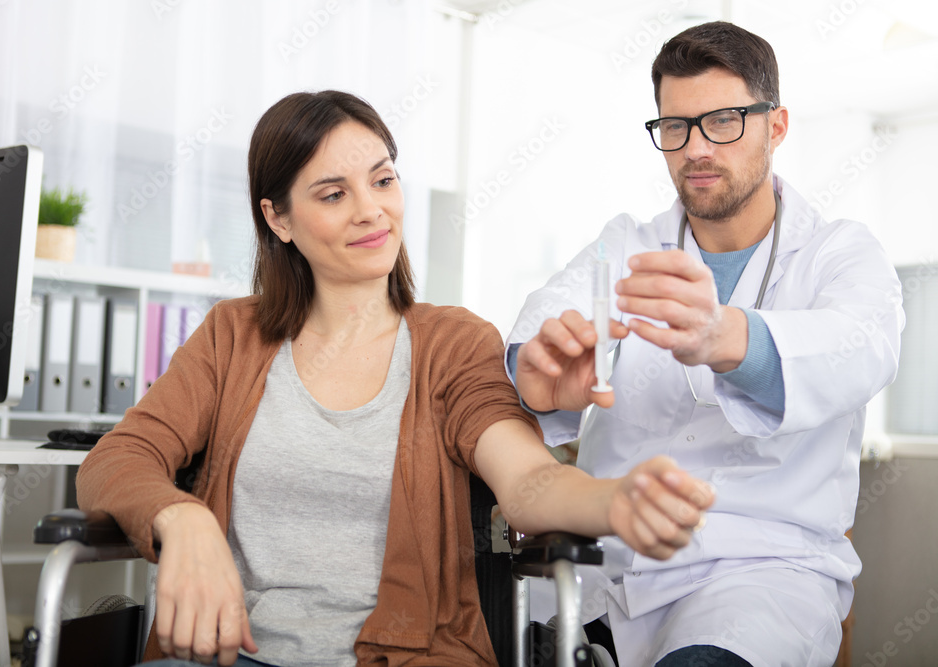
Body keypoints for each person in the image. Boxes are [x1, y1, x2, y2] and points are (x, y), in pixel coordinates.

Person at [77, 90, 714, 667]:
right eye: (333, 195)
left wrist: (613, 501)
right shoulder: (231, 336)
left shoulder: (454, 343)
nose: (371, 211)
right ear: (279, 219)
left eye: (383, 180)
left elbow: (526, 481)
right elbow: (117, 460)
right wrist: (181, 518)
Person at [506, 21, 904, 667]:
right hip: (604, 560)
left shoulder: (838, 251)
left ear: (776, 126)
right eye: (675, 126)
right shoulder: (627, 242)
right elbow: (546, 322)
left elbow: (859, 351)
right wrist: (539, 379)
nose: (695, 148)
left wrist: (726, 337)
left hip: (760, 571)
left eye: (723, 121)